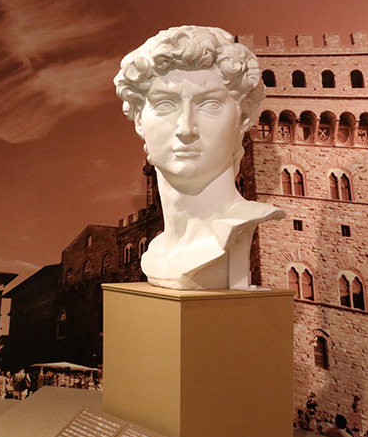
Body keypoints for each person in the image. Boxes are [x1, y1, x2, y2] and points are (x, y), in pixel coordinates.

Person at [113, 26, 284, 290]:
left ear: (243, 117)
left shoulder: (239, 228)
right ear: (138, 121)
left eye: (210, 105)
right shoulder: (154, 252)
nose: (186, 128)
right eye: (165, 104)